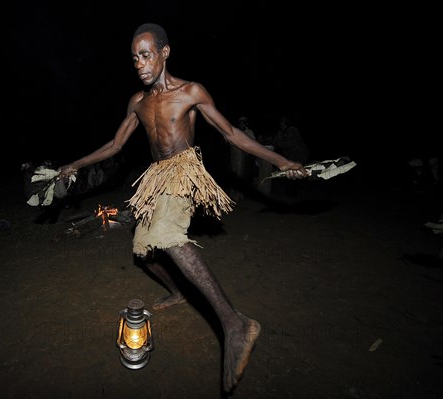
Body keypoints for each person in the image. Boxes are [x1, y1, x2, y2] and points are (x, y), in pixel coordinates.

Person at [58, 23, 307, 393]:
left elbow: (232, 134)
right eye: (134, 58)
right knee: (143, 248)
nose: (140, 64)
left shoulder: (191, 92)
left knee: (167, 235)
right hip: (156, 176)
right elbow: (114, 144)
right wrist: (75, 164)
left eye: (146, 54)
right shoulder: (138, 103)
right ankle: (178, 291)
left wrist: (281, 160)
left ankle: (235, 323)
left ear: (164, 53)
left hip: (184, 170)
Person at [229, 116, 257, 197]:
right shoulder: (236, 131)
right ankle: (233, 193)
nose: (241, 124)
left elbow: (253, 143)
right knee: (234, 174)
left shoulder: (249, 132)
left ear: (246, 123)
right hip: (235, 157)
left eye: (243, 122)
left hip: (246, 157)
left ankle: (241, 194)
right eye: (240, 122)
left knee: (244, 175)